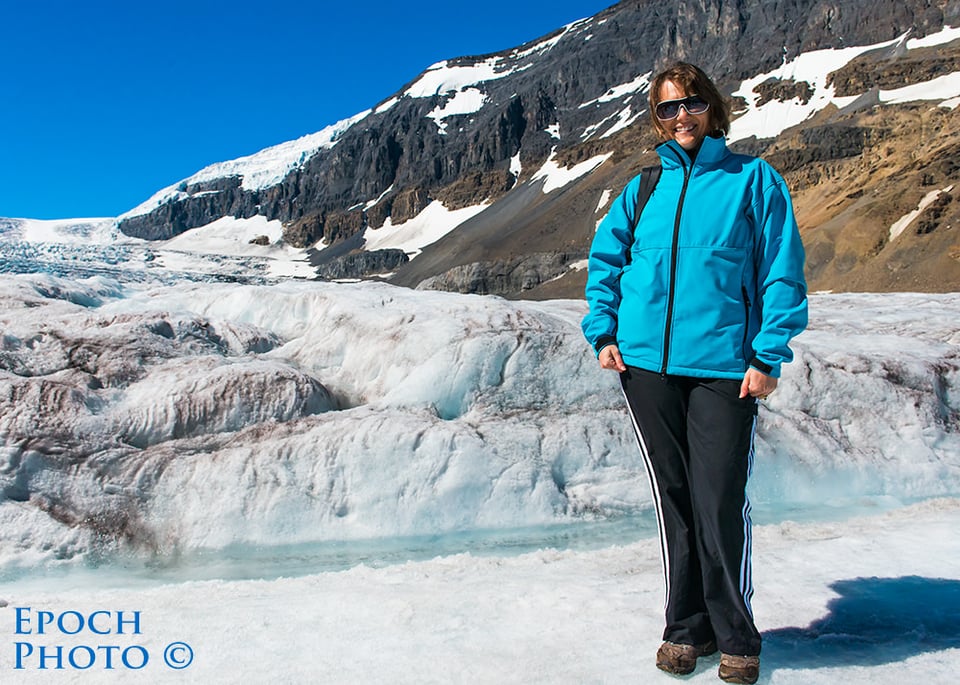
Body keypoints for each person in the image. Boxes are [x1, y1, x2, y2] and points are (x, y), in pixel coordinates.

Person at [581, 63, 808, 684]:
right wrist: (603, 331)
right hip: (646, 367)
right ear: (656, 118)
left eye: (691, 104)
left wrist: (767, 354)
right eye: (667, 109)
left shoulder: (753, 180)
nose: (681, 116)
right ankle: (686, 629)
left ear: (713, 107)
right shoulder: (643, 188)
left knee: (718, 501)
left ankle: (736, 633)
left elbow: (781, 272)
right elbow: (607, 261)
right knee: (674, 502)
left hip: (723, 369)